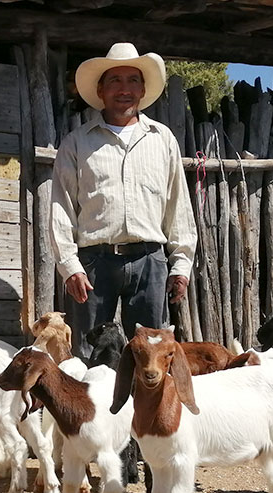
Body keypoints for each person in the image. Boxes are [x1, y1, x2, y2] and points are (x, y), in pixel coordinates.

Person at [50, 42, 197, 359]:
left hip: (150, 262)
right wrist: (70, 266)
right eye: (115, 80)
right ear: (100, 90)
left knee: (150, 359)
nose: (124, 89)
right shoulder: (77, 143)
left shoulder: (162, 139)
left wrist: (180, 265)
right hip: (92, 266)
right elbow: (61, 208)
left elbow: (178, 207)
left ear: (143, 89)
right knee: (90, 357)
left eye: (132, 80)